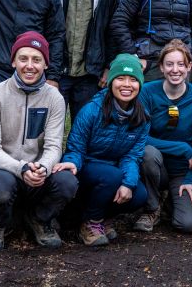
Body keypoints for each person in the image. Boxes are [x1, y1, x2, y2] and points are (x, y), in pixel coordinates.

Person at [0, 31, 77, 251]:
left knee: (67, 182)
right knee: (1, 186)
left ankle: (40, 220)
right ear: (13, 61)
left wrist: (42, 167)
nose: (29, 66)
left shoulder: (54, 98)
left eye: (37, 60)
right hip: (2, 172)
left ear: (45, 65)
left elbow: (53, 147)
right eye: (23, 59)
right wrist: (21, 168)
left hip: (37, 173)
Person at [54, 54, 150, 247]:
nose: (126, 85)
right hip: (87, 168)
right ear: (111, 81)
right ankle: (90, 223)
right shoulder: (92, 110)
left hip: (113, 170)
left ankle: (104, 218)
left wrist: (129, 183)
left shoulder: (142, 117)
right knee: (112, 177)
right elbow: (76, 147)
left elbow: (132, 155)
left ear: (139, 84)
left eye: (133, 80)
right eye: (121, 78)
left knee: (139, 193)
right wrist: (72, 162)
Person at [134, 40, 192, 234]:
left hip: (183, 170)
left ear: (189, 67)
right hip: (155, 166)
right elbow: (140, 137)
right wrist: (183, 148)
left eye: (180, 64)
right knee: (147, 153)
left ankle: (171, 201)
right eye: (169, 64)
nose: (175, 70)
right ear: (161, 67)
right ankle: (152, 208)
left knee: (189, 224)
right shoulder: (147, 92)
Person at [46, 0, 117, 119]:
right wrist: (48, 71)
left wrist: (108, 66)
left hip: (89, 75)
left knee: (84, 128)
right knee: (47, 127)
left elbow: (111, 31)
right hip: (56, 72)